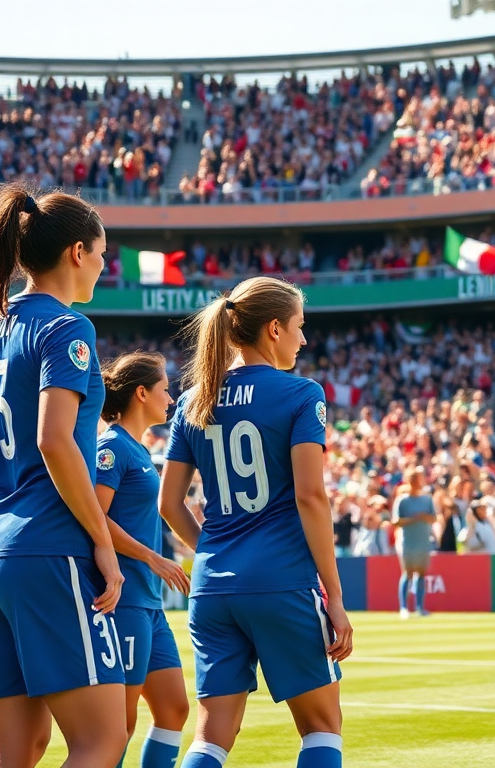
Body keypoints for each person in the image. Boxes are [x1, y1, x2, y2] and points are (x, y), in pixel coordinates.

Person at [0, 186, 128, 768]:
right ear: (77, 252)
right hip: (49, 550)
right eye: (101, 252)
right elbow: (54, 440)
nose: (104, 264)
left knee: (17, 752)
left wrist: (5, 487)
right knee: (102, 741)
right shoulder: (67, 328)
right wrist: (102, 539)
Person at [158, 276, 352, 768]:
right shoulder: (301, 394)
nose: (303, 339)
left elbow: (170, 504)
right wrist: (335, 597)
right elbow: (311, 496)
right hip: (282, 579)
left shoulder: (191, 401)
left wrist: (214, 552)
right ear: (273, 329)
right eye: (299, 327)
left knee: (212, 736)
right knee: (321, 727)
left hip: (212, 585)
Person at [96, 352, 193, 768]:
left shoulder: (136, 449)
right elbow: (94, 519)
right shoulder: (111, 447)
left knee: (173, 709)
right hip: (125, 600)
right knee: (120, 722)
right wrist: (154, 558)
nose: (170, 399)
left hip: (148, 603)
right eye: (165, 390)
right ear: (141, 394)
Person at [392, 467, 436, 618]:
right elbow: (396, 521)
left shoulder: (427, 499)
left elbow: (433, 518)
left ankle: (420, 607)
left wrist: (423, 517)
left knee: (422, 574)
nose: (418, 483)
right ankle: (403, 608)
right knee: (407, 573)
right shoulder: (402, 500)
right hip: (408, 543)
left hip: (423, 543)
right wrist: (412, 519)